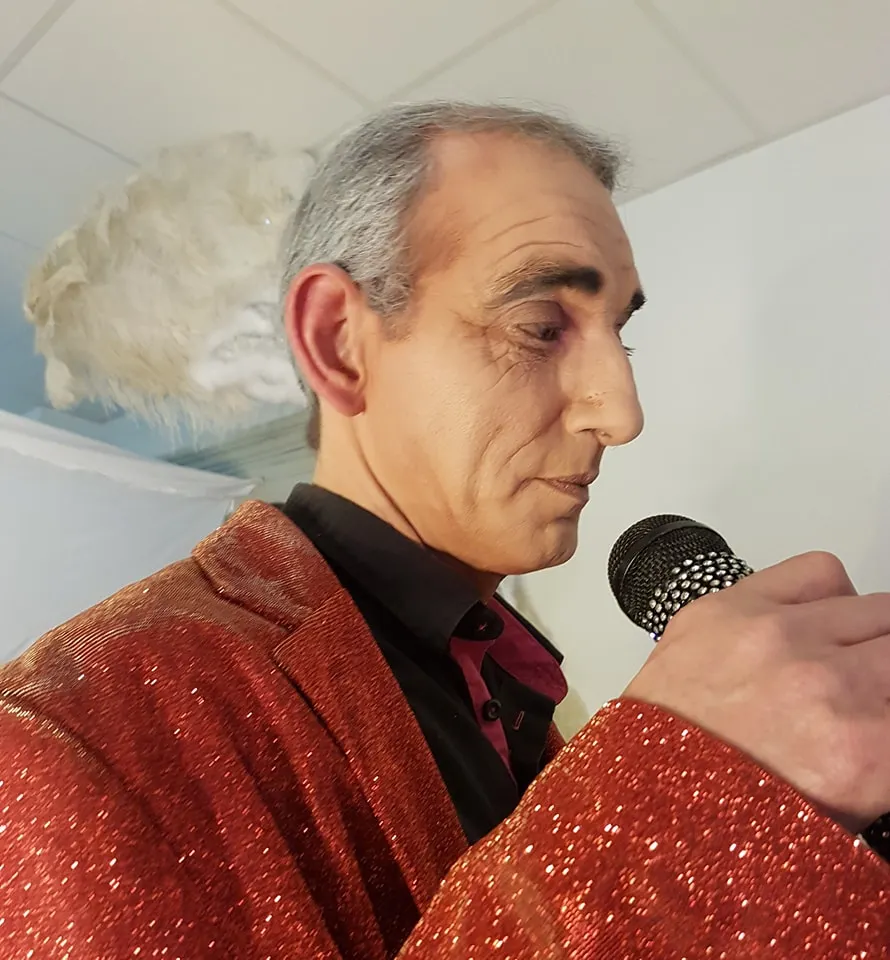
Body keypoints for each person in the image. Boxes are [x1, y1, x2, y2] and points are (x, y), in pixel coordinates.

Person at [1, 101, 889, 959]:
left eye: (619, 336)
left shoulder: (500, 673)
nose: (621, 413)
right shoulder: (64, 740)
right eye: (540, 328)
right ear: (339, 342)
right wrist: (679, 793)